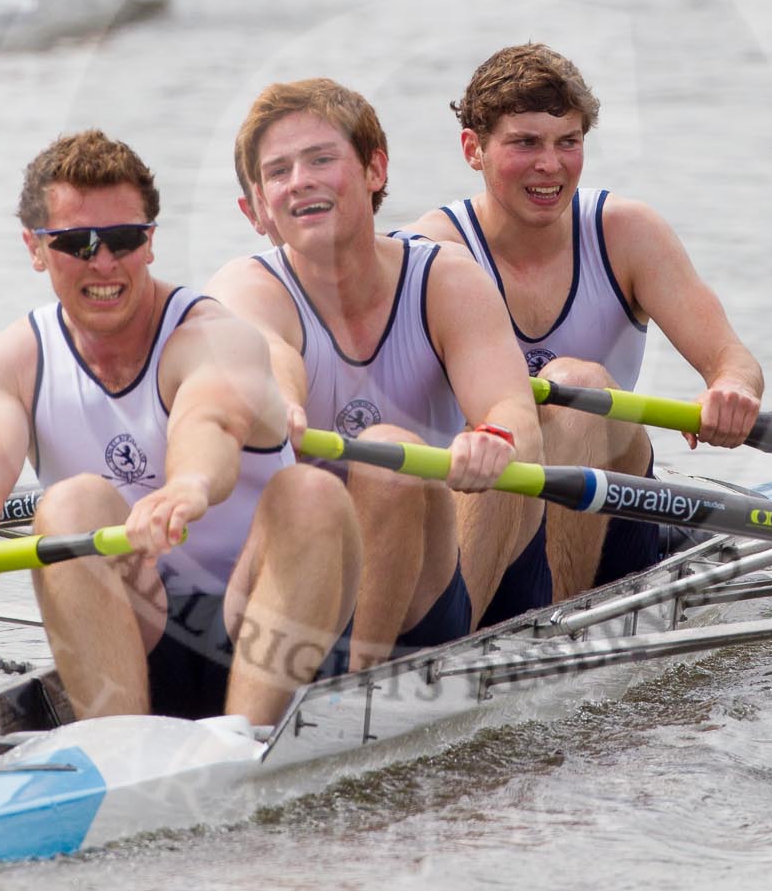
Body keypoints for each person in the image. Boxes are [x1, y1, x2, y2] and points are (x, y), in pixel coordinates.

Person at [0, 130, 359, 726]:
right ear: (35, 248)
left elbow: (211, 419)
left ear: (150, 242)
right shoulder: (8, 360)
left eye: (123, 239)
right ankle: (115, 748)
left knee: (311, 493)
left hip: (271, 618)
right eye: (77, 242)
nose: (104, 263)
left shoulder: (213, 336)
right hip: (139, 630)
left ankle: (247, 740)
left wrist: (186, 489)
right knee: (71, 505)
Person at [207, 79, 549, 663]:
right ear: (258, 209)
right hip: (292, 581)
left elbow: (514, 411)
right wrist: (278, 406)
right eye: (279, 171)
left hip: (430, 581)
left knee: (389, 458)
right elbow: (270, 360)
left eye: (321, 159)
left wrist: (494, 437)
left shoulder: (447, 280)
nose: (302, 181)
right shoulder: (244, 289)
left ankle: (361, 691)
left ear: (374, 171)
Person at [407, 44, 765, 601]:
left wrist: (732, 389)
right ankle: (446, 640)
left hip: (616, 515)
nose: (550, 165)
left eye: (567, 142)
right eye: (525, 142)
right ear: (472, 149)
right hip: (482, 507)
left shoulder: (627, 233)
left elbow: (731, 358)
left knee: (577, 386)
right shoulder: (430, 252)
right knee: (501, 435)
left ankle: (552, 622)